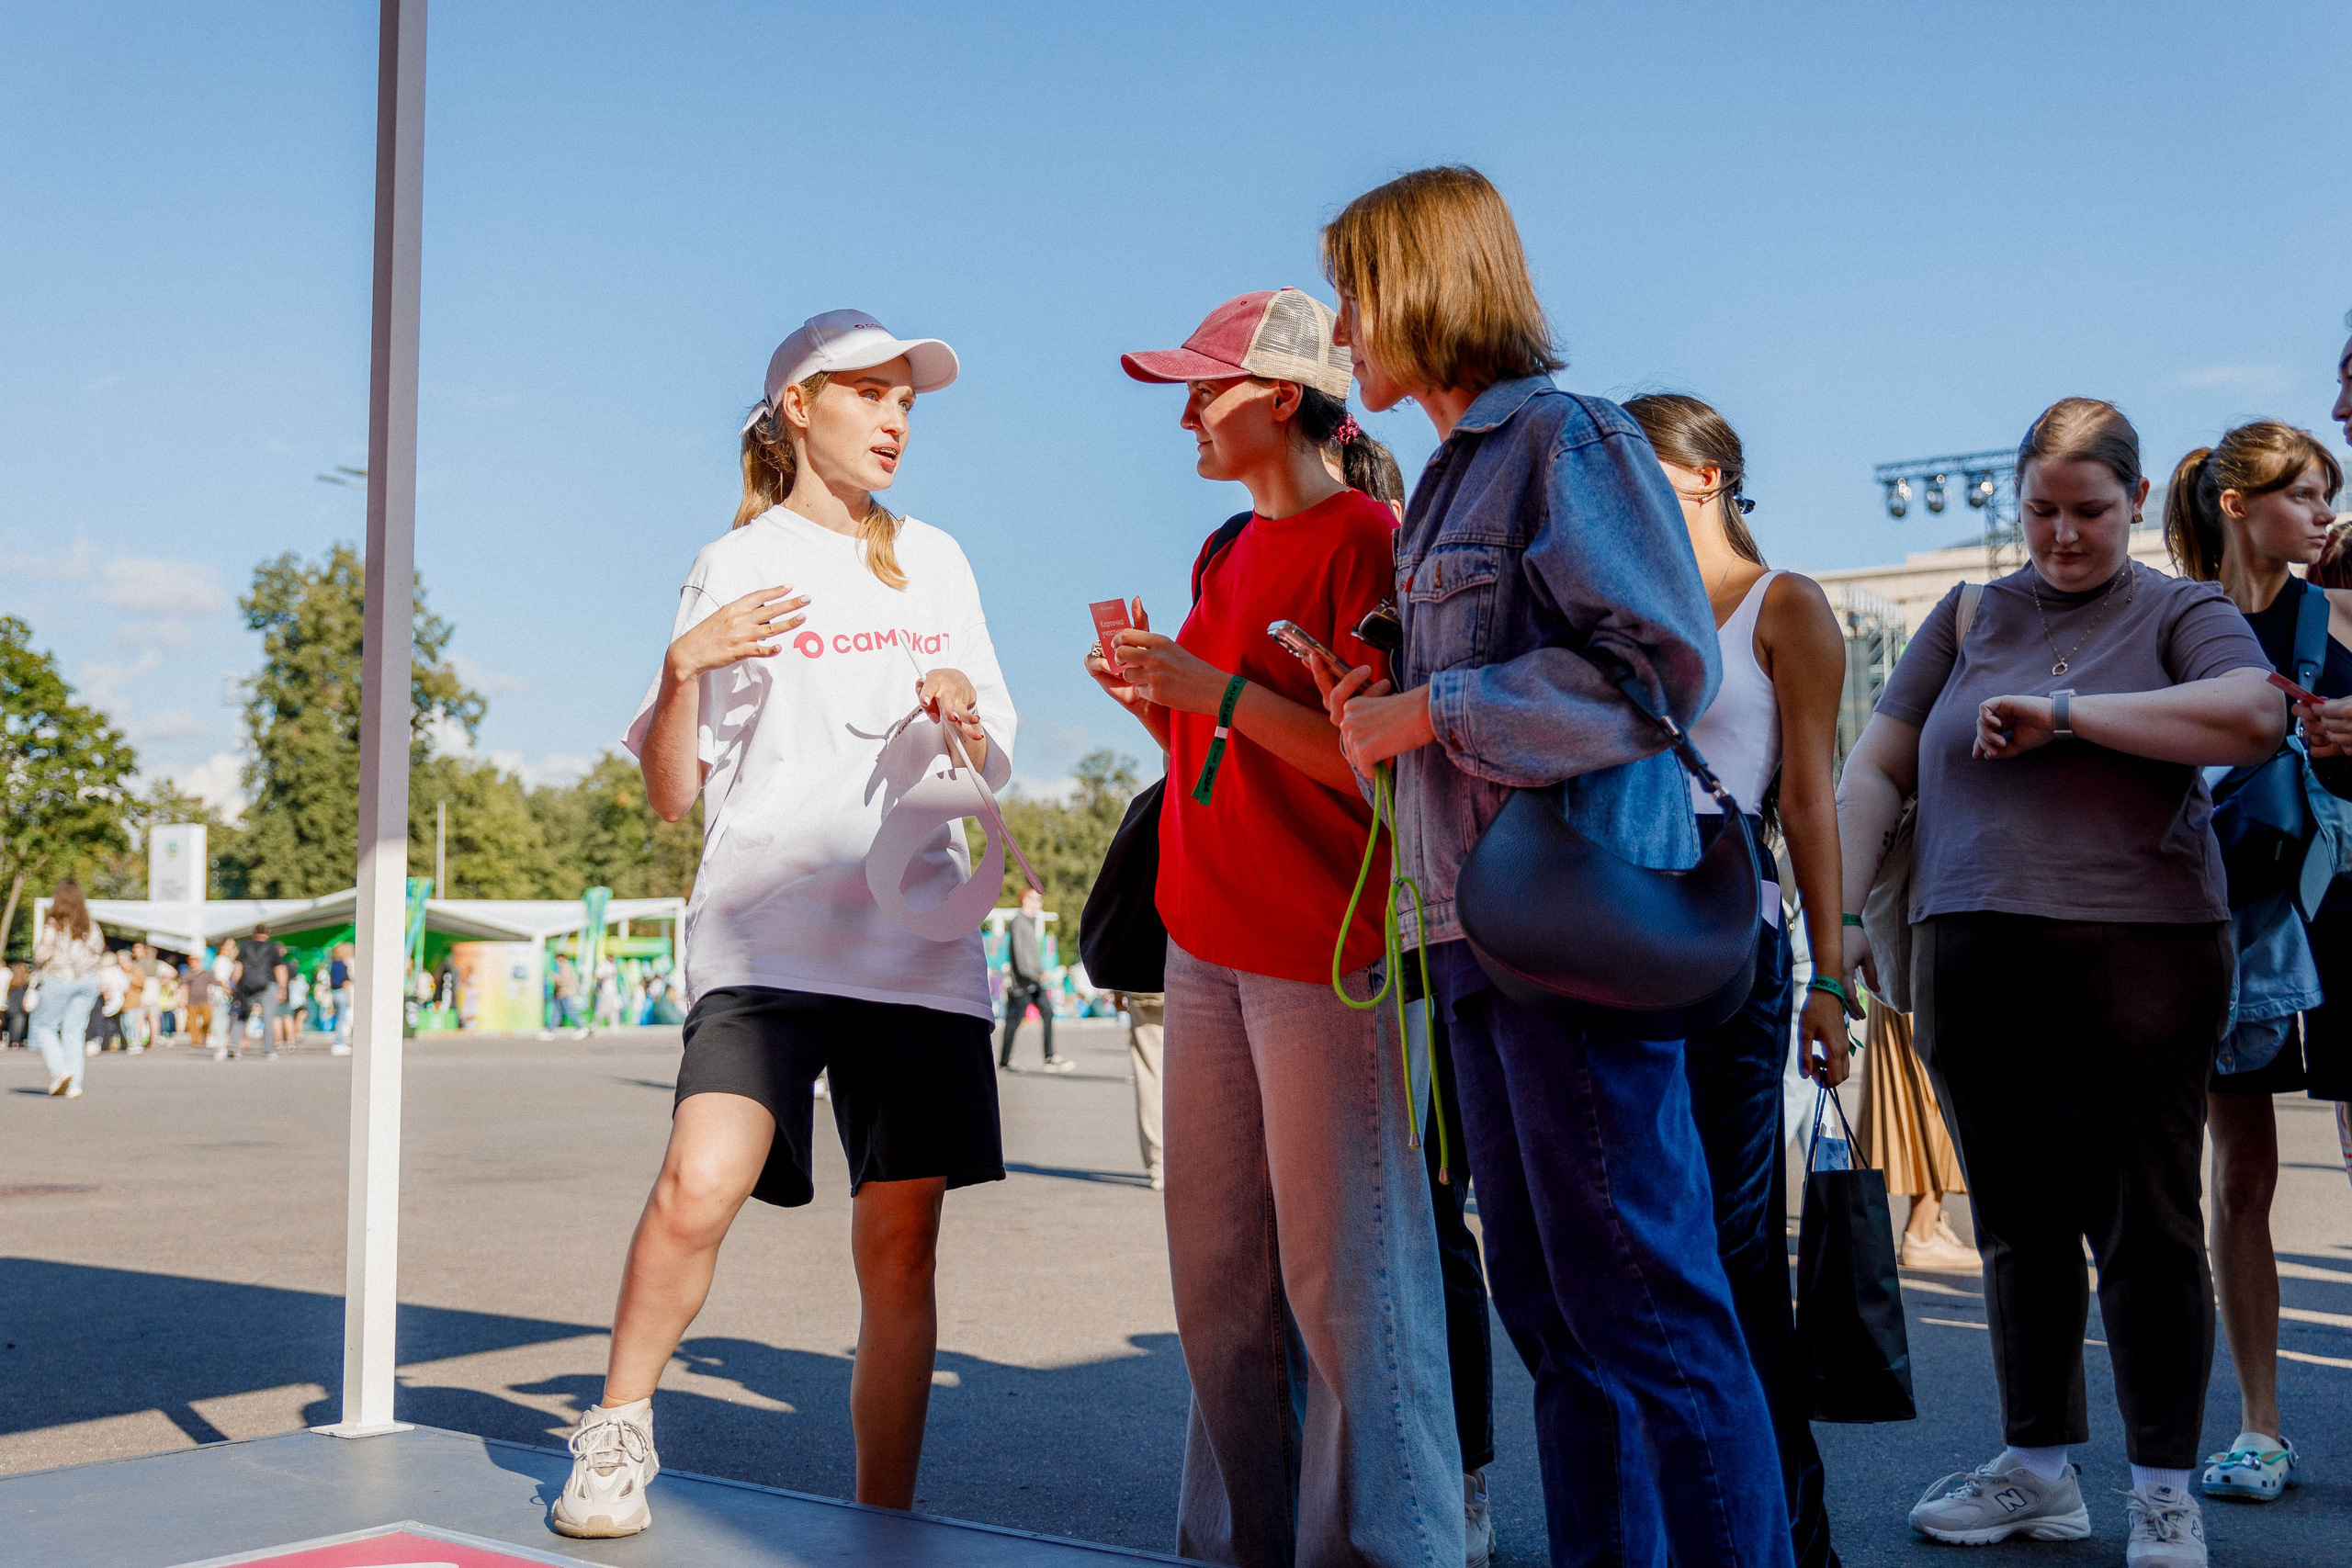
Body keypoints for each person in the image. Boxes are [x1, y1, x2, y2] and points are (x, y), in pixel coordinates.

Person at [1318, 166, 1792, 1568]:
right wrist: (1391, 687)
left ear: (1417, 284)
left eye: (1354, 288)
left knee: (1644, 1305)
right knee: (1556, 1313)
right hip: (1481, 927)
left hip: (1568, 929)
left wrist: (1434, 708)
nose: (1343, 326)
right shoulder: (1460, 469)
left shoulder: (1562, 438)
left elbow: (1659, 665)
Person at [554, 310, 1013, 1540]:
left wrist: (964, 701)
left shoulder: (942, 560)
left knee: (901, 1246)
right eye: (869, 392)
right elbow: (669, 793)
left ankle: (885, 1516)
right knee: (699, 1180)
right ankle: (616, 1428)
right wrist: (681, 665)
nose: (897, 416)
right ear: (798, 407)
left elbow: (996, 754)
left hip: (917, 943)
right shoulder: (733, 559)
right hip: (766, 934)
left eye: (905, 397)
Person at [1835, 397, 2283, 1562]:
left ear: (2136, 503)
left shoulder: (2181, 609)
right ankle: (2037, 1471)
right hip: (1970, 946)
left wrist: (2067, 714)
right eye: (2040, 509)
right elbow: (1879, 763)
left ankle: (2162, 1490)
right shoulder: (1970, 609)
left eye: (2088, 510)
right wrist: (1833, 916)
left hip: (2142, 947)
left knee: (2147, 1223)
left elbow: (2252, 717)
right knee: (2019, 1228)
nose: (2063, 534)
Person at [1090, 286, 1463, 1567]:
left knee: (1351, 1285)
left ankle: (1383, 1549)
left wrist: (1214, 689)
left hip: (1331, 951)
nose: (1186, 408)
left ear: (1292, 396)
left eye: (1208, 385)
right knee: (1219, 1285)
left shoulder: (1374, 540)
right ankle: (1242, 1542)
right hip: (1205, 942)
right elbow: (1218, 759)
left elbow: (1381, 766)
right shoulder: (1219, 551)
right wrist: (1165, 698)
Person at [1624, 391, 1851, 1568]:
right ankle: (1673, 1521)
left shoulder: (1784, 603)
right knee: (1634, 1248)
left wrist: (1832, 975)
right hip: (1604, 939)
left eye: (1637, 464)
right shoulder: (1610, 605)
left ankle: (1786, 1534)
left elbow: (1810, 799)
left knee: (1732, 1247)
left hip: (1729, 945)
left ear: (1705, 477)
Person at [1326, 419, 1501, 1563]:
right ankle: (1378, 1480)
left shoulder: (1396, 586)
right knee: (1348, 1242)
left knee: (1435, 1229)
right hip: (1325, 953)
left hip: (1421, 948)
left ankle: (1466, 1480)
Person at [2164, 419, 2347, 1506]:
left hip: (2346, 909)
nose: (2324, 514)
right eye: (2306, 495)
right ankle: (2259, 1430)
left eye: (2329, 495)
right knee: (2240, 1174)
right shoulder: (2174, 625)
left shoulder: (2345, 610)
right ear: (2237, 504)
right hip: (2229, 918)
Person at [1854, 1004, 1976, 1272]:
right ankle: (1922, 1233)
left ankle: (1926, 1225)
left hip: (1896, 974)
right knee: (1935, 1084)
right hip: (1918, 974)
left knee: (1919, 1082)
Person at [29, 881, 106, 1098]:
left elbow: (42, 953)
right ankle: (76, 1085)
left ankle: (60, 1070)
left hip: (60, 978)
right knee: (74, 1031)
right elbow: (98, 947)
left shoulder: (55, 923)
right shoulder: (89, 923)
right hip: (87, 980)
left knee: (44, 1027)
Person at [997, 887, 1068, 1071]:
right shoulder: (1019, 922)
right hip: (1023, 983)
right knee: (1013, 1021)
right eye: (1036, 899)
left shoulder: (1029, 922)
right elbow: (1021, 957)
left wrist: (1039, 974)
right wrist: (1036, 974)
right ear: (1026, 900)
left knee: (1048, 1012)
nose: (1040, 903)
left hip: (1034, 982)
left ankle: (1050, 1056)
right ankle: (1004, 1061)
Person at [1105, 989, 1165, 1191]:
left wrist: (1117, 989)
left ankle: (1159, 1165)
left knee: (1150, 1073)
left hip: (1145, 979)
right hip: (1195, 970)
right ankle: (1195, 1161)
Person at [236, 925, 284, 1058]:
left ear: (253, 933)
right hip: (267, 985)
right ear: (267, 933)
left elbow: (238, 967)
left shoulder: (245, 947)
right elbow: (279, 968)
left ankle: (235, 1047)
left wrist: (235, 986)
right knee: (268, 1018)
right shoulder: (271, 947)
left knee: (242, 1017)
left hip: (247, 986)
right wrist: (282, 989)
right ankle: (269, 1049)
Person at [182, 955, 215, 1051]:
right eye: (191, 962)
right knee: (192, 1023)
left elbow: (212, 987)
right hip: (192, 1001)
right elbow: (184, 987)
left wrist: (212, 999)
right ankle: (195, 1041)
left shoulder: (207, 974)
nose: (193, 964)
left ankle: (204, 1033)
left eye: (195, 962)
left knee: (208, 1019)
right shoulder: (187, 974)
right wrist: (182, 1000)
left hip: (205, 1001)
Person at [329, 942, 354, 1053]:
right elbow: (345, 982)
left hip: (334, 992)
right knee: (342, 1019)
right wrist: (349, 996)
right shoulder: (343, 965)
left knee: (339, 1018)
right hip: (342, 993)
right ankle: (339, 1042)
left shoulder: (333, 964)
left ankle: (339, 1041)